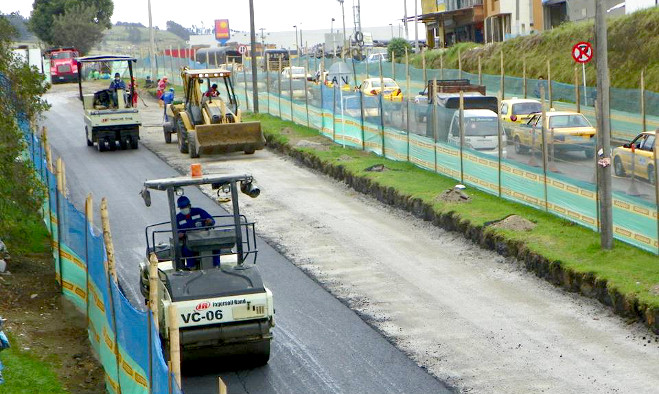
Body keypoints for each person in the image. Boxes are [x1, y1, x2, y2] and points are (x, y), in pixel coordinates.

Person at [175, 196, 219, 268]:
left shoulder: (198, 211)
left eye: (185, 207)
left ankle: (216, 265)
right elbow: (176, 232)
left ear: (189, 205)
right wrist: (179, 235)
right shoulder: (178, 218)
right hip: (189, 241)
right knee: (187, 250)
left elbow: (211, 221)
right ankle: (192, 267)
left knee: (215, 246)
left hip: (203, 238)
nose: (183, 209)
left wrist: (210, 221)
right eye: (181, 208)